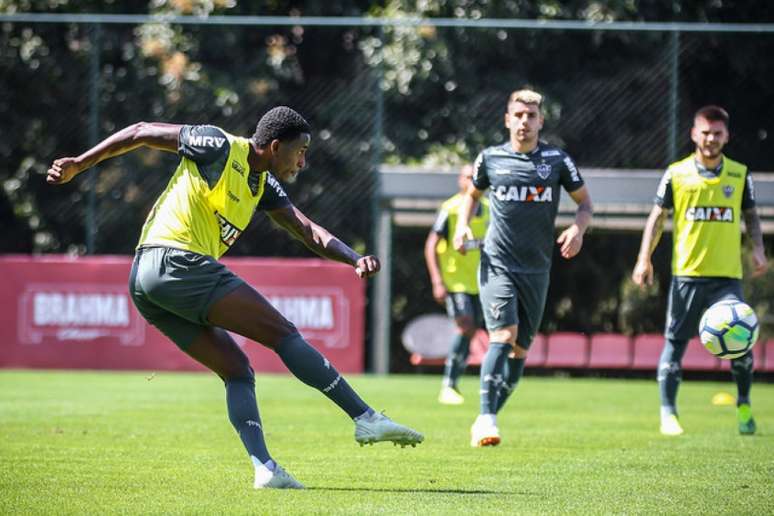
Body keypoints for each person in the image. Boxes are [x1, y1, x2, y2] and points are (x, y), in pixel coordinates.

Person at [46, 106, 423, 489]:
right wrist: (80, 163)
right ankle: (365, 418)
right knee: (284, 334)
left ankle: (265, 469)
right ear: (275, 146)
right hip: (175, 261)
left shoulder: (264, 186)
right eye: (301, 151)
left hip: (147, 284)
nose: (303, 161)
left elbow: (307, 230)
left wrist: (353, 258)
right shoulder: (217, 145)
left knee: (237, 370)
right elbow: (142, 130)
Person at [453, 89, 593, 447]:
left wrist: (578, 228)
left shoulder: (557, 161)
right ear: (507, 119)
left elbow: (584, 202)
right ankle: (486, 417)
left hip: (537, 269)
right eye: (518, 115)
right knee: (503, 334)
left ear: (540, 121)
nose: (524, 122)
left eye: (531, 116)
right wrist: (462, 226)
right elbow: (472, 196)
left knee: (520, 351)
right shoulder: (490, 159)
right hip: (497, 262)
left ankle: (487, 416)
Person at [632, 105, 768, 437]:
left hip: (726, 278)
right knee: (675, 343)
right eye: (705, 132)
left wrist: (759, 249)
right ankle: (668, 414)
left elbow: (750, 216)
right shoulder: (676, 173)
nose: (710, 139)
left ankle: (745, 405)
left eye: (717, 133)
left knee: (741, 345)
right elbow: (657, 218)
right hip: (688, 275)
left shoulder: (738, 174)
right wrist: (643, 258)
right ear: (694, 134)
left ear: (726, 136)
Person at [424, 164, 490, 405]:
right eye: (468, 177)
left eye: (476, 177)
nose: (473, 181)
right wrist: (437, 280)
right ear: (460, 181)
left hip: (481, 282)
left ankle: (457, 382)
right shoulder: (450, 209)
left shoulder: (490, 209)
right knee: (465, 325)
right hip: (455, 281)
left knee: (472, 330)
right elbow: (431, 245)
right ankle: (448, 385)